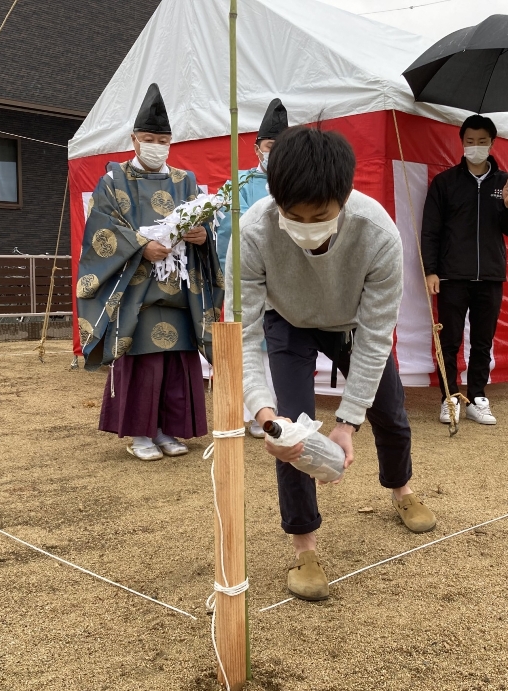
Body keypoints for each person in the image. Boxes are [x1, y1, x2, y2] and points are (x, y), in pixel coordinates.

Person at [236, 124, 437, 602]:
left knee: (389, 409)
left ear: (345, 197)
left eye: (319, 215)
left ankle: (401, 490)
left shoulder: (378, 234)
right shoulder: (252, 232)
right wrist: (265, 417)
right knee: (292, 429)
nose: (305, 225)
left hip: (351, 323)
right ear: (273, 199)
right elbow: (240, 334)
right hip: (288, 321)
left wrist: (347, 422)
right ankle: (304, 543)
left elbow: (374, 336)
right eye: (292, 215)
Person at [76, 84, 223, 460]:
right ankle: (141, 435)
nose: (156, 145)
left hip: (179, 291)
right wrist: (141, 246)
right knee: (145, 365)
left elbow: (208, 229)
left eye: (163, 139)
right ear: (134, 139)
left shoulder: (185, 181)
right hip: (136, 292)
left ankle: (169, 431)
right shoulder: (113, 181)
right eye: (148, 138)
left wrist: (203, 235)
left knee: (176, 365)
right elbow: (101, 231)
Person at [420, 114, 508, 427]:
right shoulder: (445, 183)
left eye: (482, 142)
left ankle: (477, 397)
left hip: (490, 276)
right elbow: (430, 230)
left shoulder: (505, 182)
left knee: (483, 342)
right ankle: (449, 398)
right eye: (470, 141)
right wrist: (431, 270)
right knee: (448, 342)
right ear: (462, 144)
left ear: (492, 144)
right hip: (451, 276)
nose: (475, 147)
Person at [216, 98, 288, 439]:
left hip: (284, 277)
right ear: (257, 146)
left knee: (275, 343)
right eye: (270, 146)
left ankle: (272, 411)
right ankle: (247, 411)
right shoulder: (238, 183)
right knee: (246, 340)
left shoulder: (295, 182)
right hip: (248, 273)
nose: (274, 152)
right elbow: (232, 229)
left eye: (282, 147)